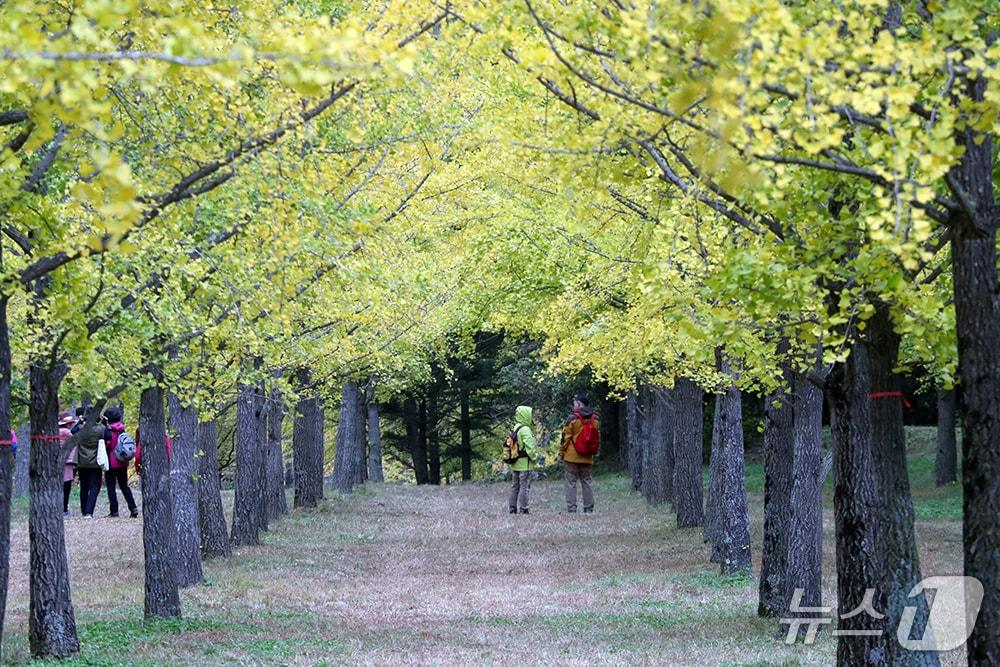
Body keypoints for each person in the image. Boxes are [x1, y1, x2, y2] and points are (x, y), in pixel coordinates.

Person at [560, 394, 600, 514]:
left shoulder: (572, 418)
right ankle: (588, 508)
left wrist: (561, 452)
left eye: (575, 403)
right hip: (587, 456)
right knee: (586, 481)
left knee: (571, 482)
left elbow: (565, 438)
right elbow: (597, 438)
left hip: (572, 456)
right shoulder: (595, 419)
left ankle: (572, 508)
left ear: (579, 404)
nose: (574, 405)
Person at [101, 407, 138, 518]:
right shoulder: (122, 429)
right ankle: (133, 508)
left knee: (111, 487)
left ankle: (114, 511)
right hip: (122, 462)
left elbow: (107, 446)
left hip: (111, 463)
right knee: (124, 486)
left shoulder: (107, 431)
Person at [508, 405, 538, 515]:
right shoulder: (525, 429)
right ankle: (524, 508)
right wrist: (534, 457)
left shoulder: (516, 427)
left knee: (514, 486)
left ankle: (512, 508)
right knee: (524, 487)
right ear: (526, 415)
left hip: (515, 463)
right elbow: (530, 446)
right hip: (524, 464)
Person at [75, 413, 106, 518]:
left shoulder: (80, 428)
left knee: (84, 486)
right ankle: (89, 511)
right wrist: (104, 423)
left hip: (82, 461)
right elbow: (109, 436)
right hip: (95, 461)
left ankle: (84, 511)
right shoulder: (101, 429)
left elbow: (72, 431)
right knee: (94, 487)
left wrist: (79, 421)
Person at [59, 413, 76, 516]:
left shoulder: (55, 432)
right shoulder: (67, 433)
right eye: (69, 423)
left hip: (57, 462)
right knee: (66, 486)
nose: (70, 425)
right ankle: (64, 508)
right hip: (67, 462)